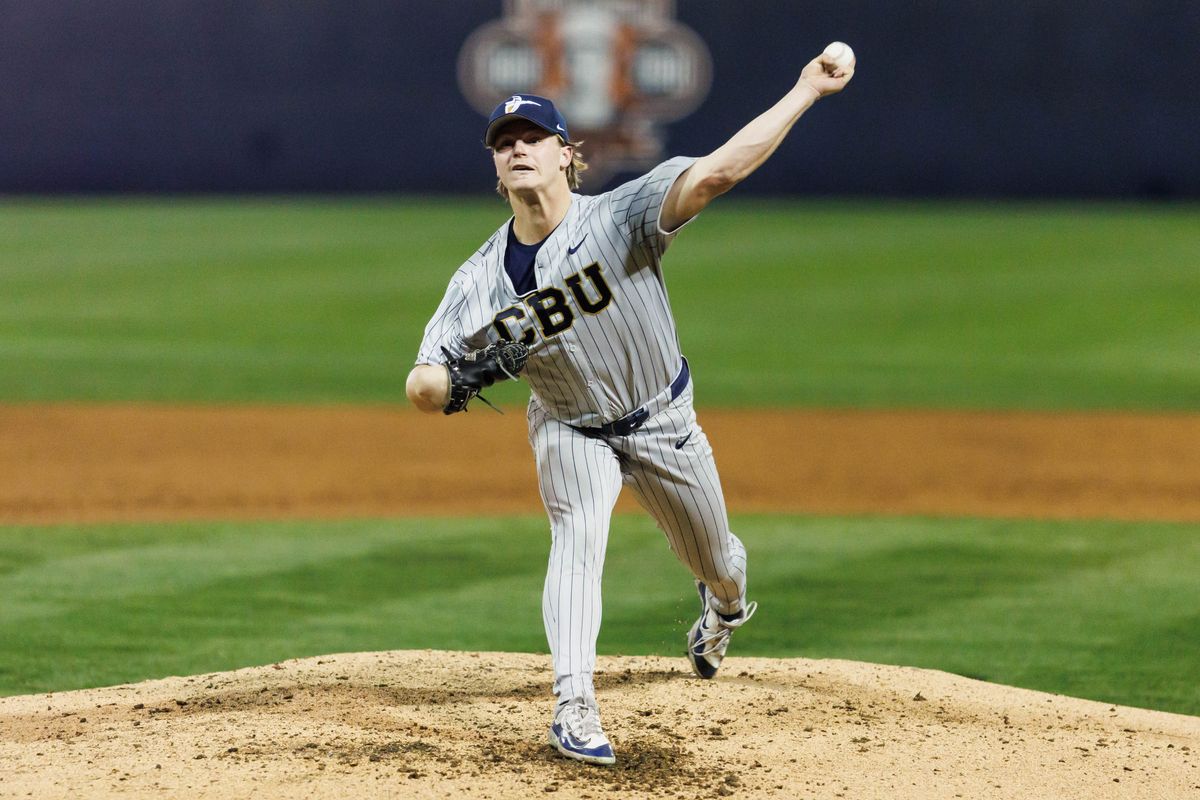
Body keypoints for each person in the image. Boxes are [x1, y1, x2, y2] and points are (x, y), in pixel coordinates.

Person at [406, 49, 855, 765]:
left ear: (566, 154)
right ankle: (573, 703)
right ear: (496, 168)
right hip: (568, 426)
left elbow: (717, 173)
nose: (517, 149)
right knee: (578, 537)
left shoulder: (620, 217)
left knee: (714, 556)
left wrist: (803, 88)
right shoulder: (477, 280)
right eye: (503, 143)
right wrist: (454, 378)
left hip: (662, 420)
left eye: (531, 138)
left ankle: (724, 607)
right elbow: (424, 383)